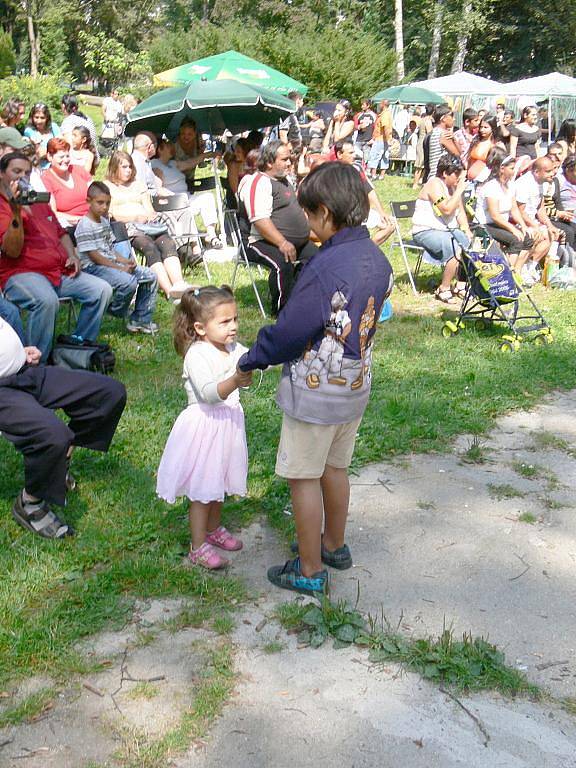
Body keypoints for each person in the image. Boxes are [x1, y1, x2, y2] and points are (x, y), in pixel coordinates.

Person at [237, 162, 393, 594]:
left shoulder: (324, 267)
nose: (305, 221)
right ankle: (333, 545)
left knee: (303, 475)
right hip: (355, 385)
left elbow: (290, 331)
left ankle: (308, 570)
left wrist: (251, 359)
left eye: (308, 213)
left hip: (316, 392)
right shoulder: (377, 259)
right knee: (335, 467)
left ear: (324, 212)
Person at [0, 316, 126, 539]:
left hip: (25, 372)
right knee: (53, 435)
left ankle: (59, 462)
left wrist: (19, 352)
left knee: (109, 393)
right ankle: (31, 503)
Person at [156, 286, 251, 570]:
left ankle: (214, 529)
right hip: (205, 428)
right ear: (200, 327)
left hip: (228, 426)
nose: (233, 327)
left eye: (234, 319)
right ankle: (198, 545)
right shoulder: (197, 355)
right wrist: (235, 379)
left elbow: (253, 358)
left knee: (219, 481)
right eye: (224, 322)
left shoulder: (232, 348)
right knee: (202, 489)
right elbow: (209, 393)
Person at [0, 152, 112, 359]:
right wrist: (16, 211)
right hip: (21, 273)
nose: (22, 177)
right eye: (16, 171)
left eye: (26, 172)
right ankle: (35, 362)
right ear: (1, 174)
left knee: (101, 289)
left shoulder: (38, 201)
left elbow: (61, 233)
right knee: (46, 300)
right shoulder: (3, 205)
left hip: (58, 271)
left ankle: (75, 351)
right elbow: (12, 250)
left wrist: (73, 255)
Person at [238, 140, 317, 315]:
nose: (290, 163)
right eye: (284, 159)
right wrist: (282, 242)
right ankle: (282, 311)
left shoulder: (285, 180)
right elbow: (260, 220)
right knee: (284, 264)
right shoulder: (259, 183)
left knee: (319, 260)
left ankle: (301, 300)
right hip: (259, 242)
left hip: (295, 242)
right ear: (269, 162)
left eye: (290, 159)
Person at [75, 181, 159, 334]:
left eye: (107, 203)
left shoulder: (104, 222)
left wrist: (126, 261)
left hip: (110, 264)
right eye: (100, 203)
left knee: (151, 275)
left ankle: (141, 318)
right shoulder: (85, 225)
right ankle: (114, 309)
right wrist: (120, 268)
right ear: (88, 201)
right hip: (92, 269)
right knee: (128, 282)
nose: (104, 207)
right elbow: (94, 257)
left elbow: (110, 249)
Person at [105, 151, 190, 300]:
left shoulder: (138, 185)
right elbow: (111, 215)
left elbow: (149, 208)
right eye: (124, 167)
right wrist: (134, 217)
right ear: (114, 168)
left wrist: (150, 215)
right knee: (149, 247)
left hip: (148, 225)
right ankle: (169, 290)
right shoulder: (107, 187)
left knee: (168, 243)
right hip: (127, 229)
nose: (128, 170)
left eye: (130, 167)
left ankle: (179, 284)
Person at [475, 148, 546, 278]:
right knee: (516, 240)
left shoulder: (510, 186)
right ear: (502, 169)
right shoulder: (491, 186)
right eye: (512, 168)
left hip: (500, 224)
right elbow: (495, 215)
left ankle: (516, 271)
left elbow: (514, 209)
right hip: (485, 224)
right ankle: (505, 274)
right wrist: (513, 229)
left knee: (528, 238)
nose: (514, 171)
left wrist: (524, 226)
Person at [412, 153, 472, 304]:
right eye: (456, 174)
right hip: (426, 231)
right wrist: (459, 191)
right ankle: (444, 288)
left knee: (468, 243)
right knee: (455, 246)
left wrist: (465, 228)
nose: (459, 178)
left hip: (446, 230)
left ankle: (461, 284)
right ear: (445, 173)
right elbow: (446, 208)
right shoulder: (434, 184)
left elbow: (460, 212)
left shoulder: (451, 187)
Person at [151, 136, 221, 249]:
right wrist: (174, 197)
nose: (171, 146)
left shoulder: (172, 163)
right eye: (168, 145)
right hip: (173, 204)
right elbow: (158, 189)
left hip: (186, 198)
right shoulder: (155, 165)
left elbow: (190, 163)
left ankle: (211, 235)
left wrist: (208, 155)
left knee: (207, 197)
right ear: (160, 149)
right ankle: (194, 246)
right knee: (185, 208)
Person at [333, 140, 393, 246]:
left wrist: (381, 212)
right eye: (350, 153)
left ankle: (366, 248)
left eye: (354, 152)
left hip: (361, 213)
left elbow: (369, 191)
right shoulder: (331, 172)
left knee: (390, 225)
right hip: (342, 216)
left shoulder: (357, 168)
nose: (354, 155)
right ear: (339, 154)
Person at [514, 155, 563, 283]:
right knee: (536, 234)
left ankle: (530, 267)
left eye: (553, 170)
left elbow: (540, 209)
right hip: (518, 221)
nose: (552, 173)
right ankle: (521, 268)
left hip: (530, 220)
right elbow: (520, 211)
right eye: (548, 171)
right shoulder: (524, 184)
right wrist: (535, 226)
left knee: (551, 234)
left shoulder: (543, 183)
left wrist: (550, 225)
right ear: (536, 172)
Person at [42, 137, 91, 229]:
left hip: (94, 217)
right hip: (72, 225)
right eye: (61, 157)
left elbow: (97, 194)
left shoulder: (78, 170)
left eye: (67, 156)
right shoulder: (46, 179)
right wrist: (80, 219)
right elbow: (52, 213)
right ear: (49, 157)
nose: (65, 160)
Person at [60, 94, 99, 163]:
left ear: (63, 106)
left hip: (81, 160)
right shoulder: (87, 118)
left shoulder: (68, 121)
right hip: (95, 157)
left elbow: (69, 144)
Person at [426, 104, 460, 181]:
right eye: (451, 116)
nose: (454, 119)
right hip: (440, 177)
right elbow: (458, 154)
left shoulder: (434, 132)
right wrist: (455, 139)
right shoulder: (444, 134)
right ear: (443, 118)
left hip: (432, 175)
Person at [23, 103, 60, 169]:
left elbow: (61, 145)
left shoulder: (53, 127)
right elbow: (39, 153)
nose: (39, 121)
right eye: (36, 117)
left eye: (42, 118)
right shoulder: (29, 131)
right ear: (32, 117)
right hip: (38, 168)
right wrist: (52, 153)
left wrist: (47, 153)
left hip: (54, 167)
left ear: (47, 118)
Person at [466, 115, 500, 181]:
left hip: (484, 181)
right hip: (469, 179)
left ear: (492, 128)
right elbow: (469, 160)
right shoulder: (476, 141)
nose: (482, 130)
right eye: (481, 127)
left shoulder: (495, 145)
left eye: (485, 127)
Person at [508, 105, 541, 170]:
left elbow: (537, 146)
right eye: (533, 115)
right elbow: (513, 147)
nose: (535, 117)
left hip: (533, 160)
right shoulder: (517, 129)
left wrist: (539, 159)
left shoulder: (537, 129)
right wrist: (512, 163)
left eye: (536, 115)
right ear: (525, 115)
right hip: (521, 161)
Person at [367, 100, 393, 180]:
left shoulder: (384, 115)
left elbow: (385, 127)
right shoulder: (386, 114)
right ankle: (381, 176)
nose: (379, 105)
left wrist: (388, 139)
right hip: (383, 139)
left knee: (375, 156)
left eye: (380, 104)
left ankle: (373, 175)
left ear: (383, 105)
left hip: (381, 139)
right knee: (384, 157)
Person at [413, 103, 434, 188]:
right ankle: (415, 183)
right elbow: (429, 132)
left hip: (421, 141)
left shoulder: (423, 119)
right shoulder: (428, 120)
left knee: (423, 164)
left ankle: (420, 181)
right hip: (423, 143)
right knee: (419, 164)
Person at [354, 99, 377, 163]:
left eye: (363, 105)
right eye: (361, 105)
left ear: (368, 105)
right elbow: (354, 125)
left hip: (368, 140)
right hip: (358, 140)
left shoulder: (374, 115)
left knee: (367, 159)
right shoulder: (359, 115)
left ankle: (366, 172)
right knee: (356, 158)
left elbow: (376, 128)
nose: (362, 107)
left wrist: (373, 138)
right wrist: (359, 126)